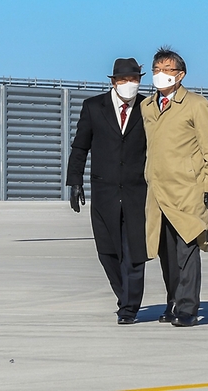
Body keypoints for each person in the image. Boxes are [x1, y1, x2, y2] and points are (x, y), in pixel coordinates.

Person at [141, 48, 208, 327]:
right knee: (165, 253)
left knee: (187, 248)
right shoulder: (147, 107)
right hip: (158, 191)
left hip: (188, 189)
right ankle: (173, 300)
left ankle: (188, 308)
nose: (160, 75)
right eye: (156, 70)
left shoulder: (196, 105)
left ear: (181, 75)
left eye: (167, 70)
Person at [66, 57, 148, 325]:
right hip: (105, 190)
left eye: (134, 79)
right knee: (108, 251)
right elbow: (80, 146)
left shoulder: (148, 107)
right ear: (113, 82)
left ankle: (129, 308)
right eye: (124, 80)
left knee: (134, 251)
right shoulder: (93, 107)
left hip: (139, 190)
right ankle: (123, 296)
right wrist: (74, 181)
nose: (129, 84)